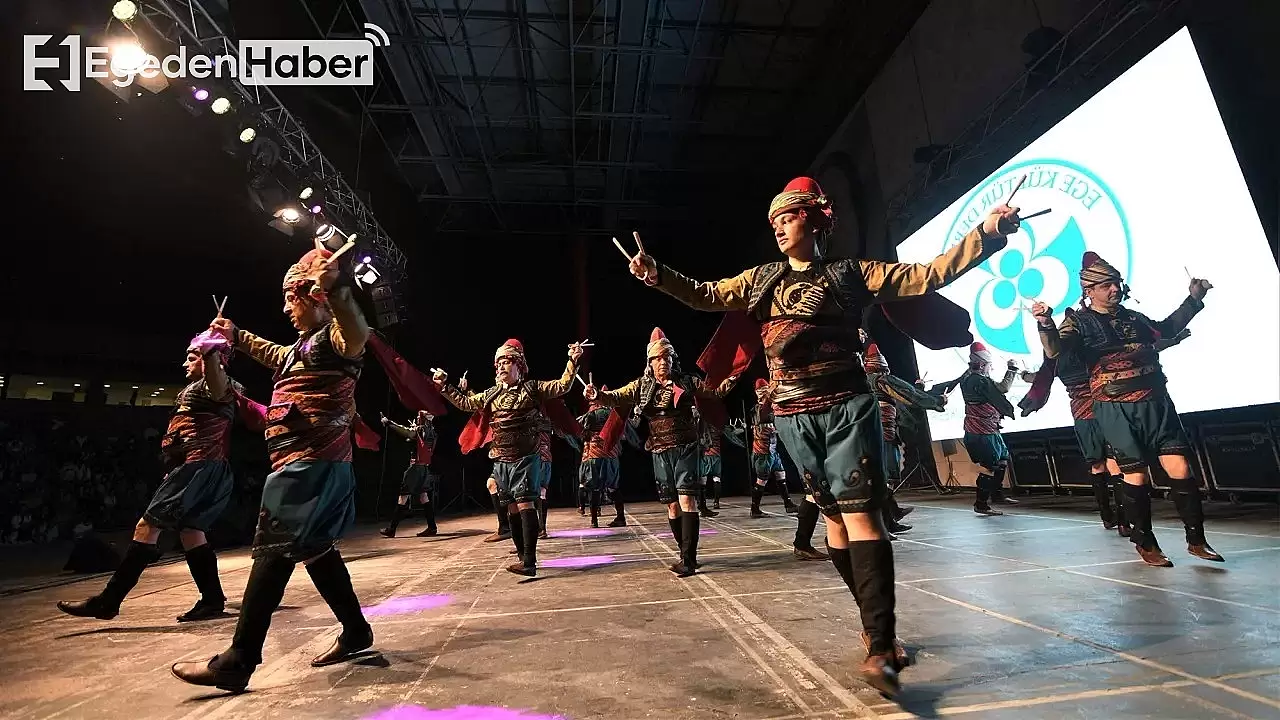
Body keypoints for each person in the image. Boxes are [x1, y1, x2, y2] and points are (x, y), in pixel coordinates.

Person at [619, 176, 1021, 696]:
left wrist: (986, 233)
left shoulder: (853, 273)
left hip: (846, 408)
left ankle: (881, 646)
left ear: (815, 219)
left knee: (861, 515)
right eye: (775, 222)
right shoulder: (762, 279)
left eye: (788, 218)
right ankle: (873, 624)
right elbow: (704, 295)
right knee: (833, 522)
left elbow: (926, 275)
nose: (780, 228)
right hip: (792, 415)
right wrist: (658, 275)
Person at [172, 246, 375, 691]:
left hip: (311, 467)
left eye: (290, 298)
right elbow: (270, 352)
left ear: (313, 296)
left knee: (272, 549)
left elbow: (357, 329)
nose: (285, 307)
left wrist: (338, 286)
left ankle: (239, 659)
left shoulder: (339, 342)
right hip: (308, 465)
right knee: (316, 550)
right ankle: (357, 632)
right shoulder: (299, 348)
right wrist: (235, 333)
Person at [1033, 252, 1221, 567]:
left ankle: (1196, 540)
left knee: (1181, 469)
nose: (1114, 289)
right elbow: (1054, 349)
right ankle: (1145, 542)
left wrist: (1194, 300)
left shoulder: (1134, 318)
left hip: (1156, 402)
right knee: (1137, 475)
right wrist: (1045, 322)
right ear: (1089, 290)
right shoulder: (1078, 322)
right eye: (1105, 285)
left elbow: (1167, 329)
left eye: (1116, 283)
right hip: (1116, 407)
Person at [59, 330, 240, 623]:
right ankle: (212, 600)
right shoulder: (213, 388)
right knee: (191, 531)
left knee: (147, 526)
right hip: (209, 468)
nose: (185, 364)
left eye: (191, 358)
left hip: (197, 468)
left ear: (212, 360)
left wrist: (210, 352)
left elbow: (217, 384)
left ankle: (109, 601)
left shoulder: (215, 385)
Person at [583, 328, 736, 576]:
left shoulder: (687, 382)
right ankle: (683, 551)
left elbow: (714, 393)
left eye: (667, 358)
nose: (663, 362)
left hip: (686, 447)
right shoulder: (641, 386)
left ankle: (689, 559)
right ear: (650, 362)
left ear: (673, 359)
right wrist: (597, 394)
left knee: (688, 499)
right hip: (660, 450)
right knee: (672, 506)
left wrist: (732, 377)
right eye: (658, 358)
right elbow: (614, 397)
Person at [434, 339, 584, 576]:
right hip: (501, 458)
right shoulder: (492, 394)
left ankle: (530, 561)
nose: (502, 367)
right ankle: (522, 555)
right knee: (511, 507)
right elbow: (465, 403)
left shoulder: (533, 388)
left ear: (519, 366)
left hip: (526, 457)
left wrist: (573, 361)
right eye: (499, 363)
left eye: (507, 362)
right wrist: (445, 386)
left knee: (524, 503)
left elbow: (563, 386)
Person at [859, 338, 947, 533]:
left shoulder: (862, 382)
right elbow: (908, 395)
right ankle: (882, 525)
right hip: (882, 435)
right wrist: (937, 400)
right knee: (883, 479)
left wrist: (919, 389)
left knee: (880, 480)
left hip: (867, 436)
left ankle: (890, 519)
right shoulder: (882, 380)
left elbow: (905, 394)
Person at [933, 343, 1019, 515]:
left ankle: (997, 494)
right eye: (988, 365)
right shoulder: (977, 380)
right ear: (982, 364)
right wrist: (1012, 369)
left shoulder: (971, 378)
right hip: (981, 431)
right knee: (989, 466)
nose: (990, 367)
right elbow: (1003, 388)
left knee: (1002, 458)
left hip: (988, 429)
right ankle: (981, 504)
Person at [379, 410, 439, 538]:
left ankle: (392, 529)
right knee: (424, 497)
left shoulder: (420, 429)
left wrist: (389, 423)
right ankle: (432, 527)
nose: (417, 418)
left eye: (419, 417)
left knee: (403, 496)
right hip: (424, 468)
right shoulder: (433, 432)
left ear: (423, 419)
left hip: (415, 468)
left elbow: (406, 432)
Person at [749, 380, 797, 517]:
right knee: (762, 480)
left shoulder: (769, 408)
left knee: (781, 474)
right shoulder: (759, 409)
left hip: (772, 450)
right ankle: (755, 509)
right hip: (763, 451)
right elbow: (765, 413)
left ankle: (788, 504)